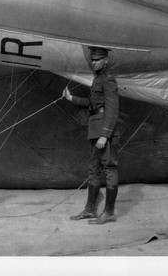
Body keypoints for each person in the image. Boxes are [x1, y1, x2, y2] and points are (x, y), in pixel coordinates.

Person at [62, 46, 120, 224]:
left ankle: (109, 213)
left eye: (97, 59)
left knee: (109, 169)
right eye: (92, 59)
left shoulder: (108, 79)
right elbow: (93, 104)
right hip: (95, 128)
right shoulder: (98, 79)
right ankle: (90, 210)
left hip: (104, 130)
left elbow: (112, 109)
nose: (93, 62)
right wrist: (72, 99)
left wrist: (105, 135)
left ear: (106, 60)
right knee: (93, 170)